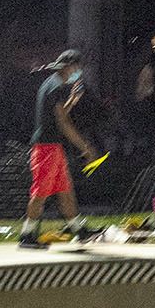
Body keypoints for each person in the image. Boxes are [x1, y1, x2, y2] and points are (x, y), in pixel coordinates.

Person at [23, 49, 95, 247]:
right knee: (40, 193)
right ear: (68, 67)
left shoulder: (51, 84)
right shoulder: (58, 88)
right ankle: (26, 235)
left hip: (51, 146)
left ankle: (79, 231)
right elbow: (63, 123)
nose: (78, 72)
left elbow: (58, 114)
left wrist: (72, 101)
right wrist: (85, 147)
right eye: (77, 68)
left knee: (65, 190)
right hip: (46, 147)